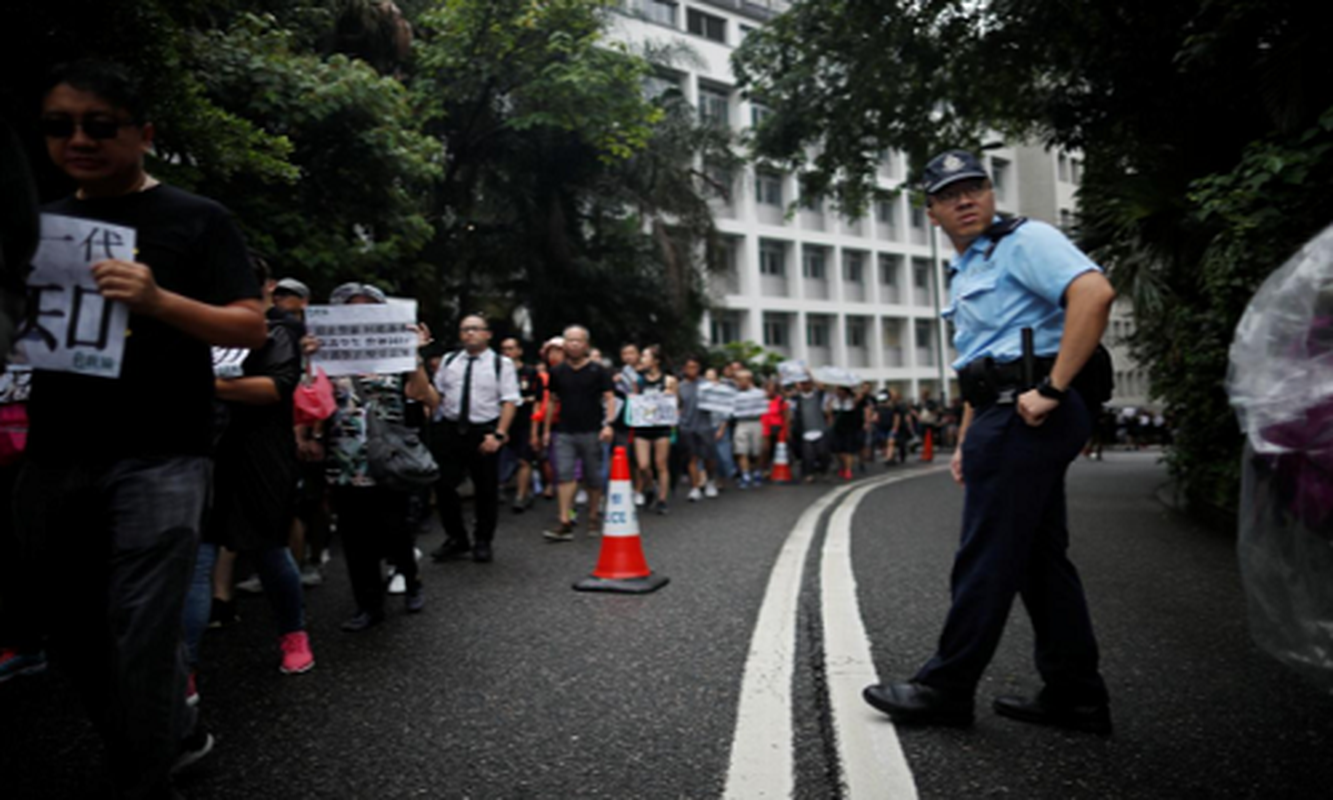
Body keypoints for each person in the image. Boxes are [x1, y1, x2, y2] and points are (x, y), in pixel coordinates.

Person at [14, 61, 268, 797]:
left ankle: (142, 771)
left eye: (100, 125)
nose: (79, 140)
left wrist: (158, 300)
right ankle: (171, 729)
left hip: (162, 453)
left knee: (144, 631)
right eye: (60, 126)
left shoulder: (198, 219)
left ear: (144, 135)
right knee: (68, 629)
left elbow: (250, 325)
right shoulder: (39, 223)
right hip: (55, 451)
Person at [863, 149, 1116, 734]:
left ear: (991, 194)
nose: (966, 199)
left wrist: (1053, 388)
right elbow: (984, 362)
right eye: (950, 194)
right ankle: (1075, 693)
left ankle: (946, 687)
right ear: (931, 214)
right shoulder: (971, 266)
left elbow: (1094, 294)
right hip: (1004, 410)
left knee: (987, 553)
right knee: (1036, 558)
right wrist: (964, 438)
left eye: (975, 187)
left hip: (1031, 412)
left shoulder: (1024, 242)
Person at [183, 254, 313, 686]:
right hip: (204, 455)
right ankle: (185, 666)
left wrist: (206, 385)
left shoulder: (279, 330)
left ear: (260, 289)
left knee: (269, 552)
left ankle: (293, 634)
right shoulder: (196, 331)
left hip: (259, 458)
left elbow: (273, 388)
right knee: (198, 560)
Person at [322, 282, 436, 631]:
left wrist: (414, 355)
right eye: (351, 307)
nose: (360, 312)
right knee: (355, 538)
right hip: (344, 458)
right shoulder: (327, 354)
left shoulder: (396, 355)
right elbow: (309, 401)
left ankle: (410, 577)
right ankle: (368, 605)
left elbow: (427, 398)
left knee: (395, 530)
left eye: (368, 306)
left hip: (388, 458)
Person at [426, 314, 519, 564]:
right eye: (465, 329)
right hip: (450, 428)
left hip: (484, 431)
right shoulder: (450, 360)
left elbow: (509, 400)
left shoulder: (502, 364)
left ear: (488, 334)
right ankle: (456, 538)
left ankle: (483, 540)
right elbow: (437, 395)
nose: (470, 334)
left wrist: (499, 434)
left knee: (486, 489)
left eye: (475, 329)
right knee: (444, 485)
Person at [542, 325, 615, 541]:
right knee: (564, 475)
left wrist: (608, 424)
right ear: (564, 344)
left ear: (586, 345)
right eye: (570, 340)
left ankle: (593, 517)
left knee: (593, 478)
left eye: (578, 340)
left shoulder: (598, 370)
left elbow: (610, 398)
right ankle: (564, 521)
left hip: (592, 430)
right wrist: (546, 430)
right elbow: (552, 402)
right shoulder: (556, 372)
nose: (574, 344)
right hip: (564, 431)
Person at [627, 344, 678, 515]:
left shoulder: (669, 380)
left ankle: (662, 499)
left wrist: (671, 398)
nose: (642, 359)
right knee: (642, 465)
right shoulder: (639, 380)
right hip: (642, 426)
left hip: (661, 426)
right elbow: (634, 402)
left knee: (661, 464)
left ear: (656, 361)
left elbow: (675, 405)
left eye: (645, 356)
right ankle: (650, 487)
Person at [501, 336, 541, 512]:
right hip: (502, 422)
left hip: (524, 421)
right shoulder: (497, 371)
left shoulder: (530, 372)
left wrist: (535, 430)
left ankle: (521, 495)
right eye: (504, 349)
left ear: (519, 351)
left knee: (524, 459)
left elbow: (537, 400)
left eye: (511, 348)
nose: (508, 353)